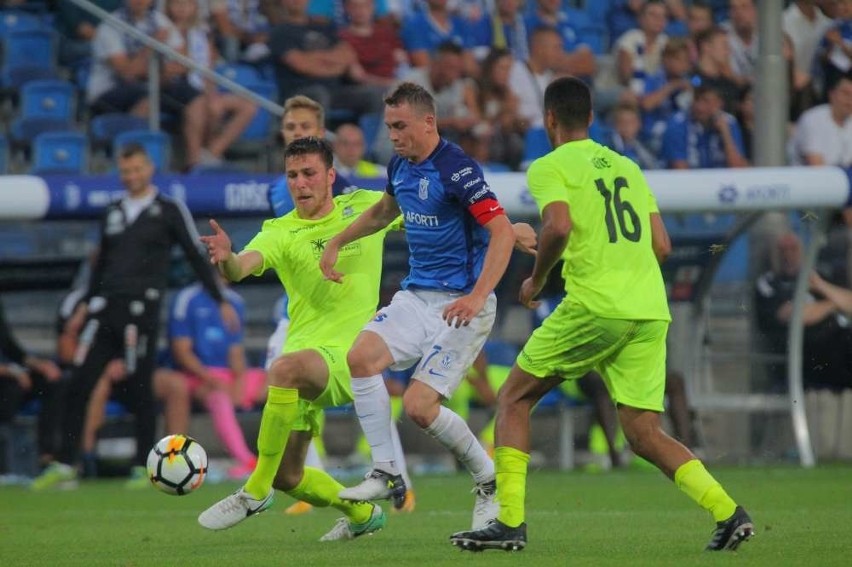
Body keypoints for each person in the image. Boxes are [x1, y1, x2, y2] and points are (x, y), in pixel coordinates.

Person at [448, 76, 753, 552]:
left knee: (512, 399)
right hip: (650, 308)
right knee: (643, 433)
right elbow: (662, 245)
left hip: (596, 304)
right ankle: (729, 512)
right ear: (591, 118)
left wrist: (538, 278)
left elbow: (559, 225)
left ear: (549, 119)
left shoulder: (549, 165)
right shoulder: (629, 168)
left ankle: (509, 522)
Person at [318, 81, 520, 531]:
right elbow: (383, 212)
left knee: (418, 406)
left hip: (462, 304)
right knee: (361, 358)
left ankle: (488, 480)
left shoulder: (458, 169)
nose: (392, 135)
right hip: (416, 295)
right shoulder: (401, 165)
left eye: (400, 126)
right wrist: (337, 241)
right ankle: (387, 470)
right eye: (389, 126)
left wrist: (476, 296)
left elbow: (503, 233)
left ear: (428, 122)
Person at [197, 137, 398, 540]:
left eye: (309, 174)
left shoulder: (364, 208)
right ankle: (361, 514)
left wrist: (501, 229)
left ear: (330, 176)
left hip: (352, 356)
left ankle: (255, 490)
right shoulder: (280, 231)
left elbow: (431, 213)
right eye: (292, 175)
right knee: (289, 476)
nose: (300, 184)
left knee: (282, 369)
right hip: (306, 360)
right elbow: (242, 268)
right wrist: (227, 259)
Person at [31, 144, 237, 490]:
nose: (131, 177)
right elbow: (103, 264)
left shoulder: (168, 209)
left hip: (141, 312)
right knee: (80, 381)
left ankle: (143, 465)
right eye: (125, 171)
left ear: (150, 168)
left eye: (137, 170)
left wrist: (220, 299)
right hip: (105, 310)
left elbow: (193, 252)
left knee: (142, 388)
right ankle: (67, 462)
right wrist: (85, 304)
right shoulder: (113, 211)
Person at [168, 276, 268, 479]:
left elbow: (236, 351)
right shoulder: (187, 299)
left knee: (278, 383)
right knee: (219, 395)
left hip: (228, 375)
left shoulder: (235, 301)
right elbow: (182, 351)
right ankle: (246, 460)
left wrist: (239, 383)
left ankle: (286, 461)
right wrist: (209, 377)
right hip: (198, 375)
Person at [0, 297, 63, 479]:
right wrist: (12, 371)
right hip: (7, 379)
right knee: (12, 392)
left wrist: (40, 365)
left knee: (50, 382)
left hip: (8, 377)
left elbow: (10, 348)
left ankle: (48, 459)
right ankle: (8, 468)